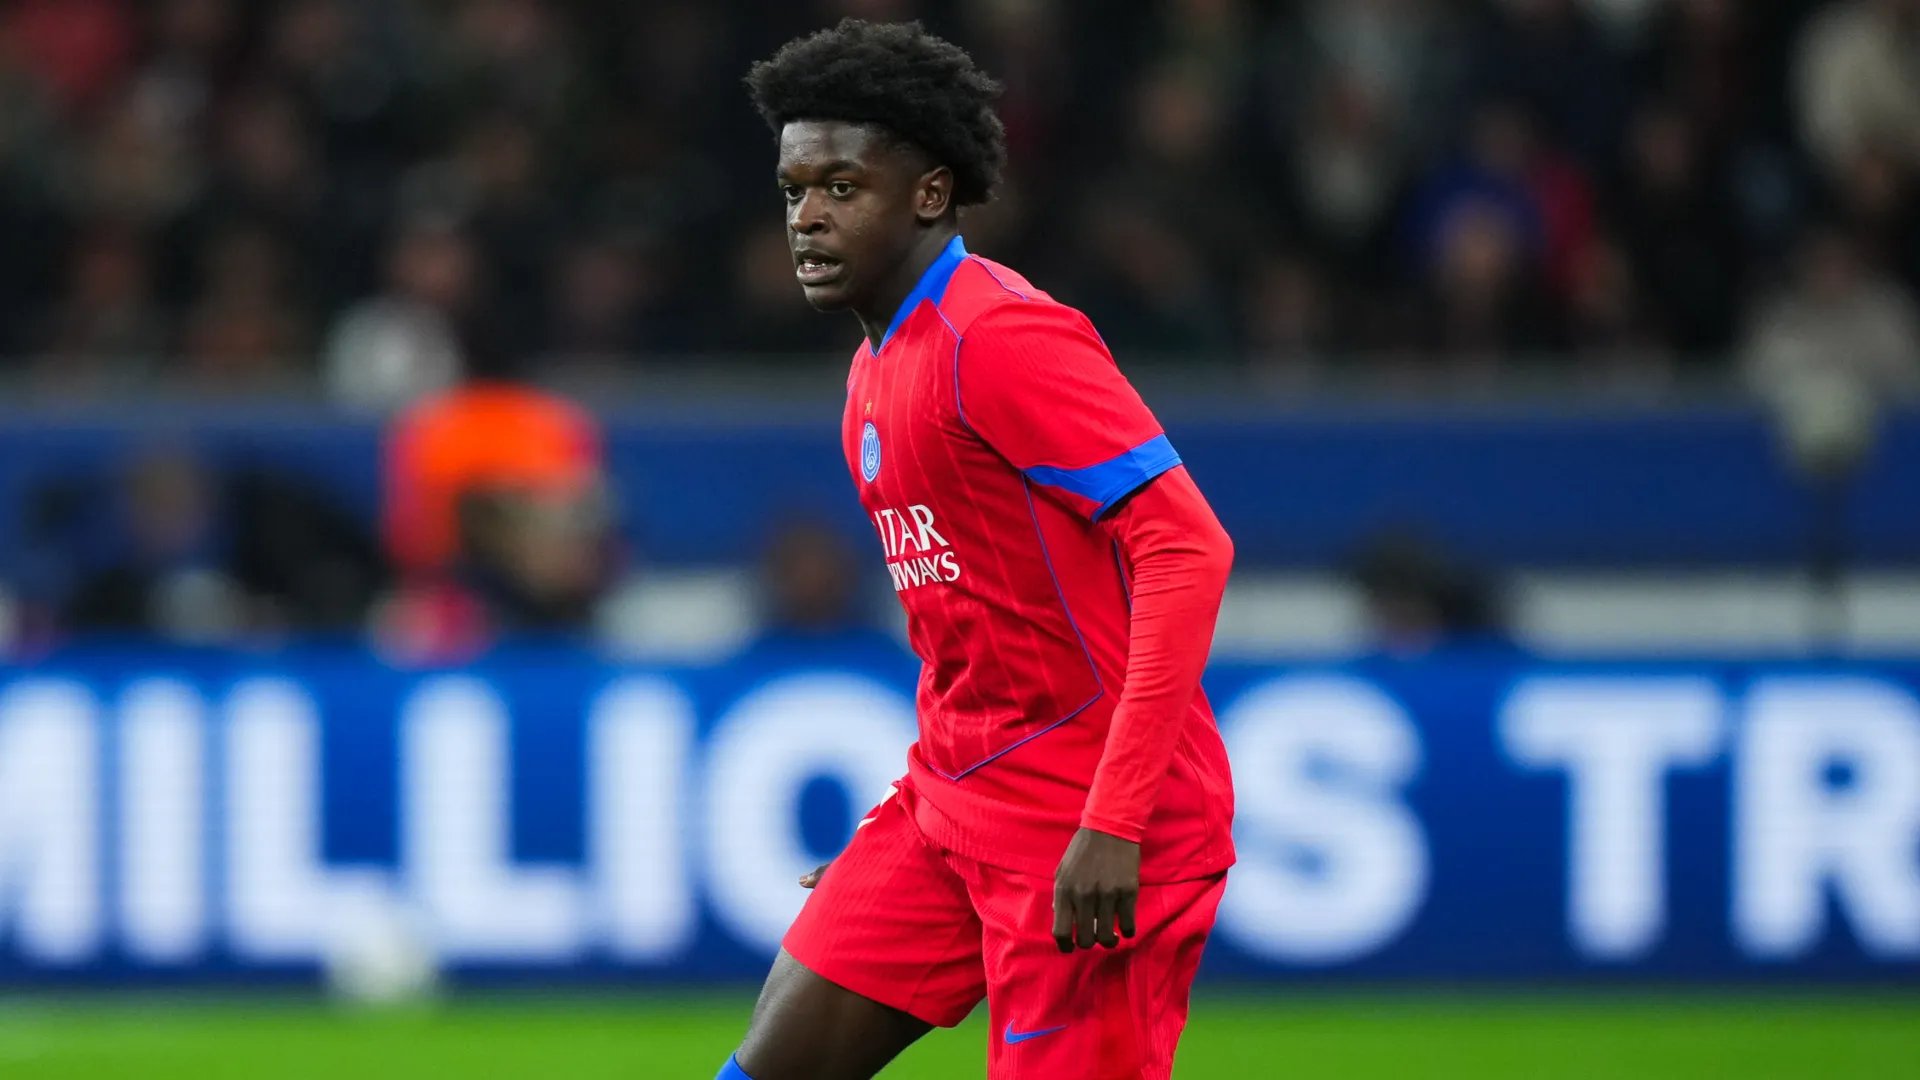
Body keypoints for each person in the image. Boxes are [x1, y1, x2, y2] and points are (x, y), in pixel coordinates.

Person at [718, 20, 1237, 1080]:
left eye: (841, 187)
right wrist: (905, 823)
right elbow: (972, 628)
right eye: (792, 189)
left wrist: (1114, 818)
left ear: (929, 193)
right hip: (955, 810)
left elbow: (1188, 548)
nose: (807, 217)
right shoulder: (876, 371)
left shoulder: (996, 338)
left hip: (1090, 832)